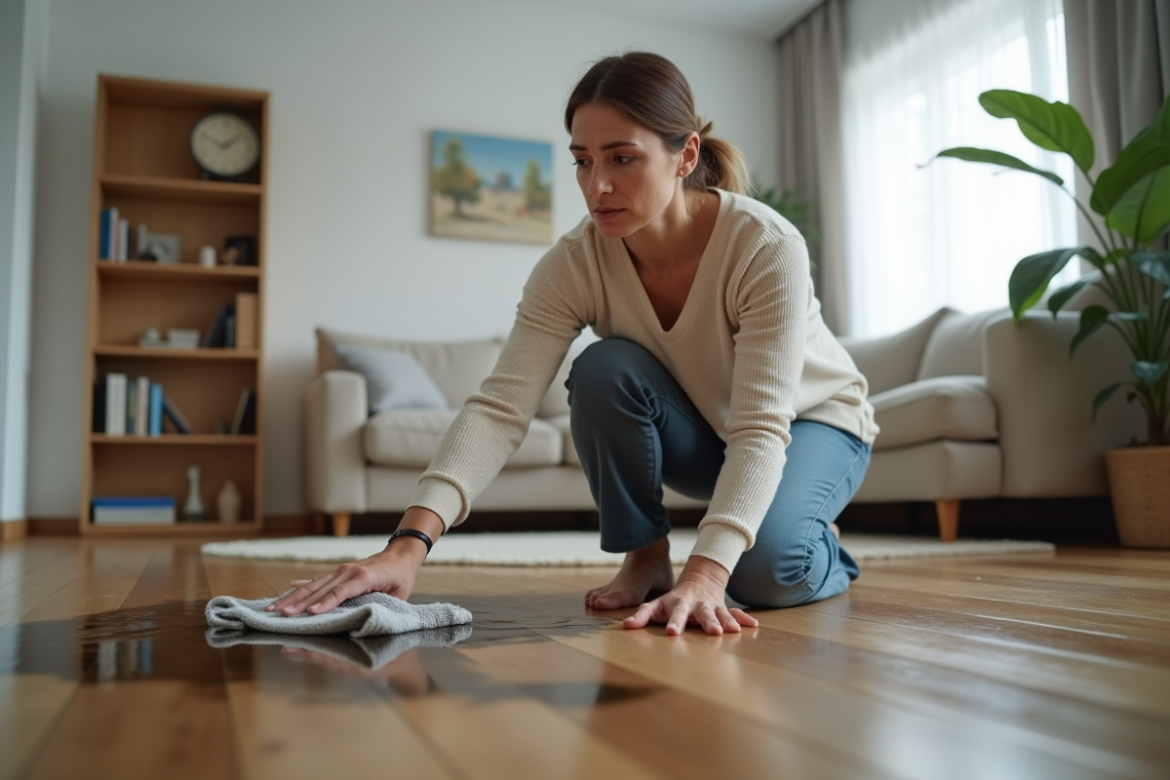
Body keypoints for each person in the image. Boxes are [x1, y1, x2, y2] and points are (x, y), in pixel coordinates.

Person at [269, 52, 878, 636]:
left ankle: (819, 546)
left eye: (622, 158)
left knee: (765, 572)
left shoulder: (765, 247)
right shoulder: (574, 263)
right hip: (709, 435)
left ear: (685, 154)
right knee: (603, 367)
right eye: (583, 161)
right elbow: (499, 409)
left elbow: (761, 429)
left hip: (812, 424)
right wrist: (407, 546)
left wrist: (708, 573)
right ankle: (645, 557)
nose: (598, 186)